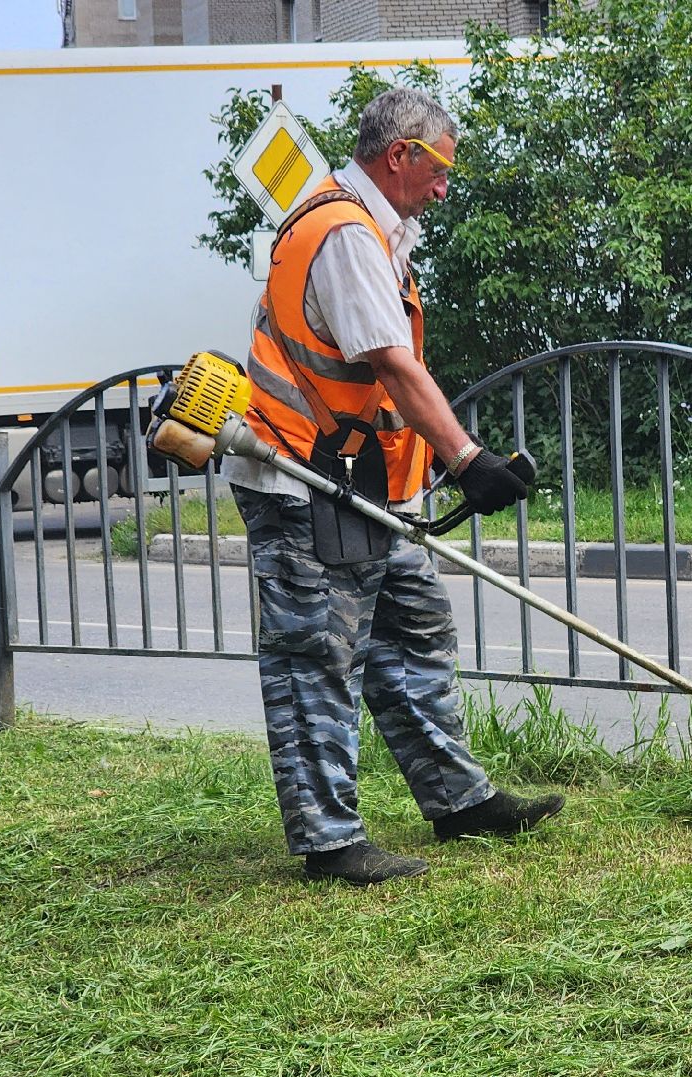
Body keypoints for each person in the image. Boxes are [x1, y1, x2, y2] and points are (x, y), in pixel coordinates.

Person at [225, 87, 561, 885]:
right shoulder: (344, 233)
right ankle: (330, 843)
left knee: (414, 630)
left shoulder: (367, 227)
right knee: (316, 657)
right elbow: (391, 362)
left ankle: (459, 801)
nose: (445, 189)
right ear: (400, 155)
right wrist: (466, 458)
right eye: (440, 170)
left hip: (360, 480)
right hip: (302, 478)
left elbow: (375, 380)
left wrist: (430, 461)